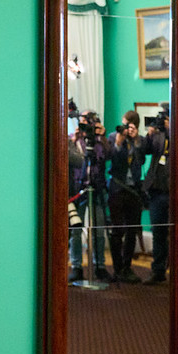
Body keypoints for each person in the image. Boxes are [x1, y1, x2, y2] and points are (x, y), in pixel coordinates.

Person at [68, 110, 112, 283]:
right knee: (76, 230)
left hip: (97, 188)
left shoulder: (100, 141)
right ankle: (76, 266)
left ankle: (99, 265)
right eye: (83, 122)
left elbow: (107, 155)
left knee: (99, 230)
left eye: (88, 122)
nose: (84, 126)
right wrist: (74, 139)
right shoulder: (74, 140)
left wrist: (102, 137)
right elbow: (70, 158)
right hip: (78, 190)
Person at [107, 110, 145, 284]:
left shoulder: (139, 140)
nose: (125, 128)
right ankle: (117, 268)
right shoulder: (113, 137)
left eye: (128, 126)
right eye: (123, 124)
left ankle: (127, 266)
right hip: (117, 188)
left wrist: (136, 141)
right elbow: (111, 157)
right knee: (117, 230)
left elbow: (141, 161)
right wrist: (118, 143)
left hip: (134, 190)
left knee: (132, 230)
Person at [143, 103, 170, 285]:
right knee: (158, 231)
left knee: (177, 232)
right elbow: (145, 151)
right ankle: (158, 270)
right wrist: (149, 134)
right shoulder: (157, 135)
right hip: (156, 190)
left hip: (174, 191)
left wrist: (171, 129)